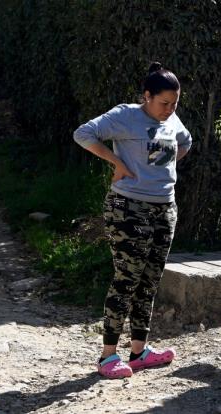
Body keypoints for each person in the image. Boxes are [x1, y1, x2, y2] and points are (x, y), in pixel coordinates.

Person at [73, 62, 192, 379]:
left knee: (150, 280)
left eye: (174, 103)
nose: (169, 109)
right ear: (147, 96)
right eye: (164, 103)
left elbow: (186, 141)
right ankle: (107, 357)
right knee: (127, 278)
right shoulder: (125, 115)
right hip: (128, 207)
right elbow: (83, 134)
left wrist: (162, 169)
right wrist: (117, 162)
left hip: (165, 208)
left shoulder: (170, 117)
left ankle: (139, 352)